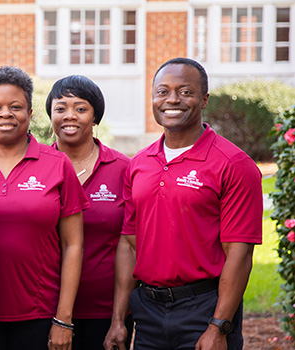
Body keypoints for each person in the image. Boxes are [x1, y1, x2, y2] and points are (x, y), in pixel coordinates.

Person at [103, 58, 263, 350]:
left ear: (204, 99)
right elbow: (128, 243)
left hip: (205, 310)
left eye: (185, 91)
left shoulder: (235, 165)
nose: (172, 99)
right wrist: (118, 320)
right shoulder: (139, 164)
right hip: (148, 312)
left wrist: (219, 326)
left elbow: (239, 254)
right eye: (162, 91)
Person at [0, 66, 88, 350]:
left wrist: (63, 319)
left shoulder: (57, 164)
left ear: (30, 114)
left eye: (15, 106)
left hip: (39, 314)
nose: (5, 114)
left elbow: (73, 245)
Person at [45, 75, 133, 349]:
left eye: (81, 109)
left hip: (105, 311)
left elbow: (129, 245)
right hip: (45, 309)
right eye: (60, 108)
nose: (69, 116)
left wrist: (119, 319)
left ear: (95, 117)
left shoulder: (123, 169)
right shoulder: (36, 167)